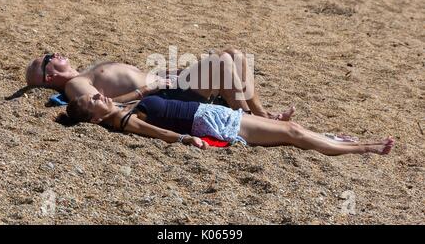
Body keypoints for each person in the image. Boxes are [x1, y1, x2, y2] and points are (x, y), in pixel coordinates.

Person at [66, 93, 394, 156]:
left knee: (291, 135)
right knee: (292, 135)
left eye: (96, 96)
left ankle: (342, 141)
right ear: (94, 119)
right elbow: (159, 133)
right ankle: (362, 147)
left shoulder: (122, 107)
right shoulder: (126, 120)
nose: (99, 97)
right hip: (211, 123)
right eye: (94, 101)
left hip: (212, 114)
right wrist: (184, 141)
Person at [25, 48, 286, 119]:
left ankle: (263, 114)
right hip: (166, 95)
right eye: (49, 58)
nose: (55, 53)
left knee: (234, 55)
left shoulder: (85, 73)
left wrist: (165, 72)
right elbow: (104, 105)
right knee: (223, 64)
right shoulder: (76, 85)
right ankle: (247, 117)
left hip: (167, 82)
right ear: (49, 77)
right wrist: (147, 89)